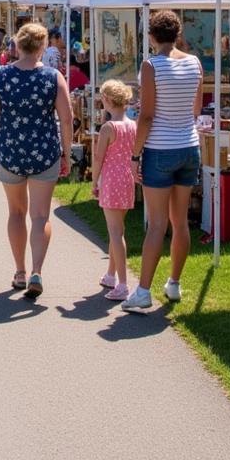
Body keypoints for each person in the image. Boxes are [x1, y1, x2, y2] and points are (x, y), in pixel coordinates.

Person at [0, 22, 72, 300]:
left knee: (16, 213)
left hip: (10, 152)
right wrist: (67, 152)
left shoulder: (0, 76)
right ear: (43, 47)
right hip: (44, 151)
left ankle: (19, 271)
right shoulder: (53, 76)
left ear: (18, 46)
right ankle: (37, 271)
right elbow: (66, 119)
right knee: (40, 215)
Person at [123, 10, 203, 313]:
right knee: (179, 221)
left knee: (156, 225)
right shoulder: (194, 63)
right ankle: (174, 282)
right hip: (188, 145)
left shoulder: (151, 65)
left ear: (152, 36)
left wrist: (135, 153)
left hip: (160, 148)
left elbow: (146, 114)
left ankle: (143, 291)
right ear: (178, 33)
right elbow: (195, 108)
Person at [92, 80, 137, 302]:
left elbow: (99, 157)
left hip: (111, 179)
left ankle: (122, 283)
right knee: (117, 229)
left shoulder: (108, 128)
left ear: (108, 100)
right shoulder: (133, 126)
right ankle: (111, 275)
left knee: (116, 232)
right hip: (127, 179)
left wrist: (93, 180)